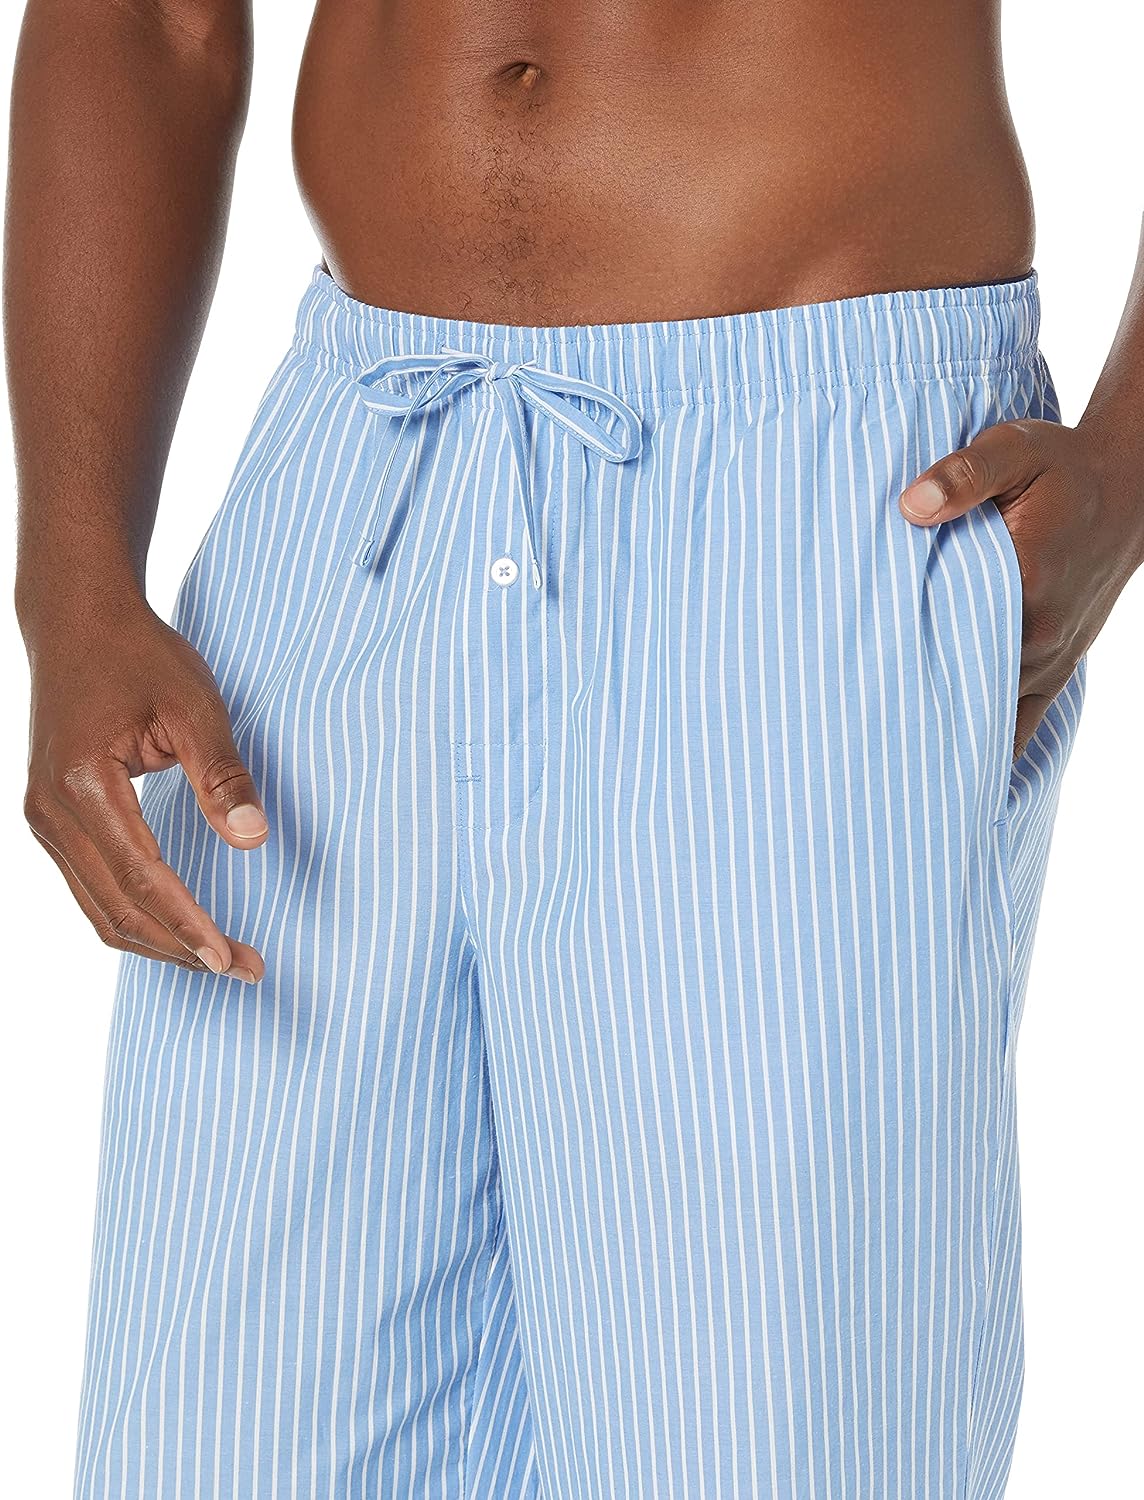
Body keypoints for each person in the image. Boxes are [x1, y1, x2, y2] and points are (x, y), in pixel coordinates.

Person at [6, 2, 1140, 1496]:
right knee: (221, 1444)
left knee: (764, 1438)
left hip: (812, 490)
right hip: (356, 476)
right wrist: (73, 576)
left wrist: (1132, 463)